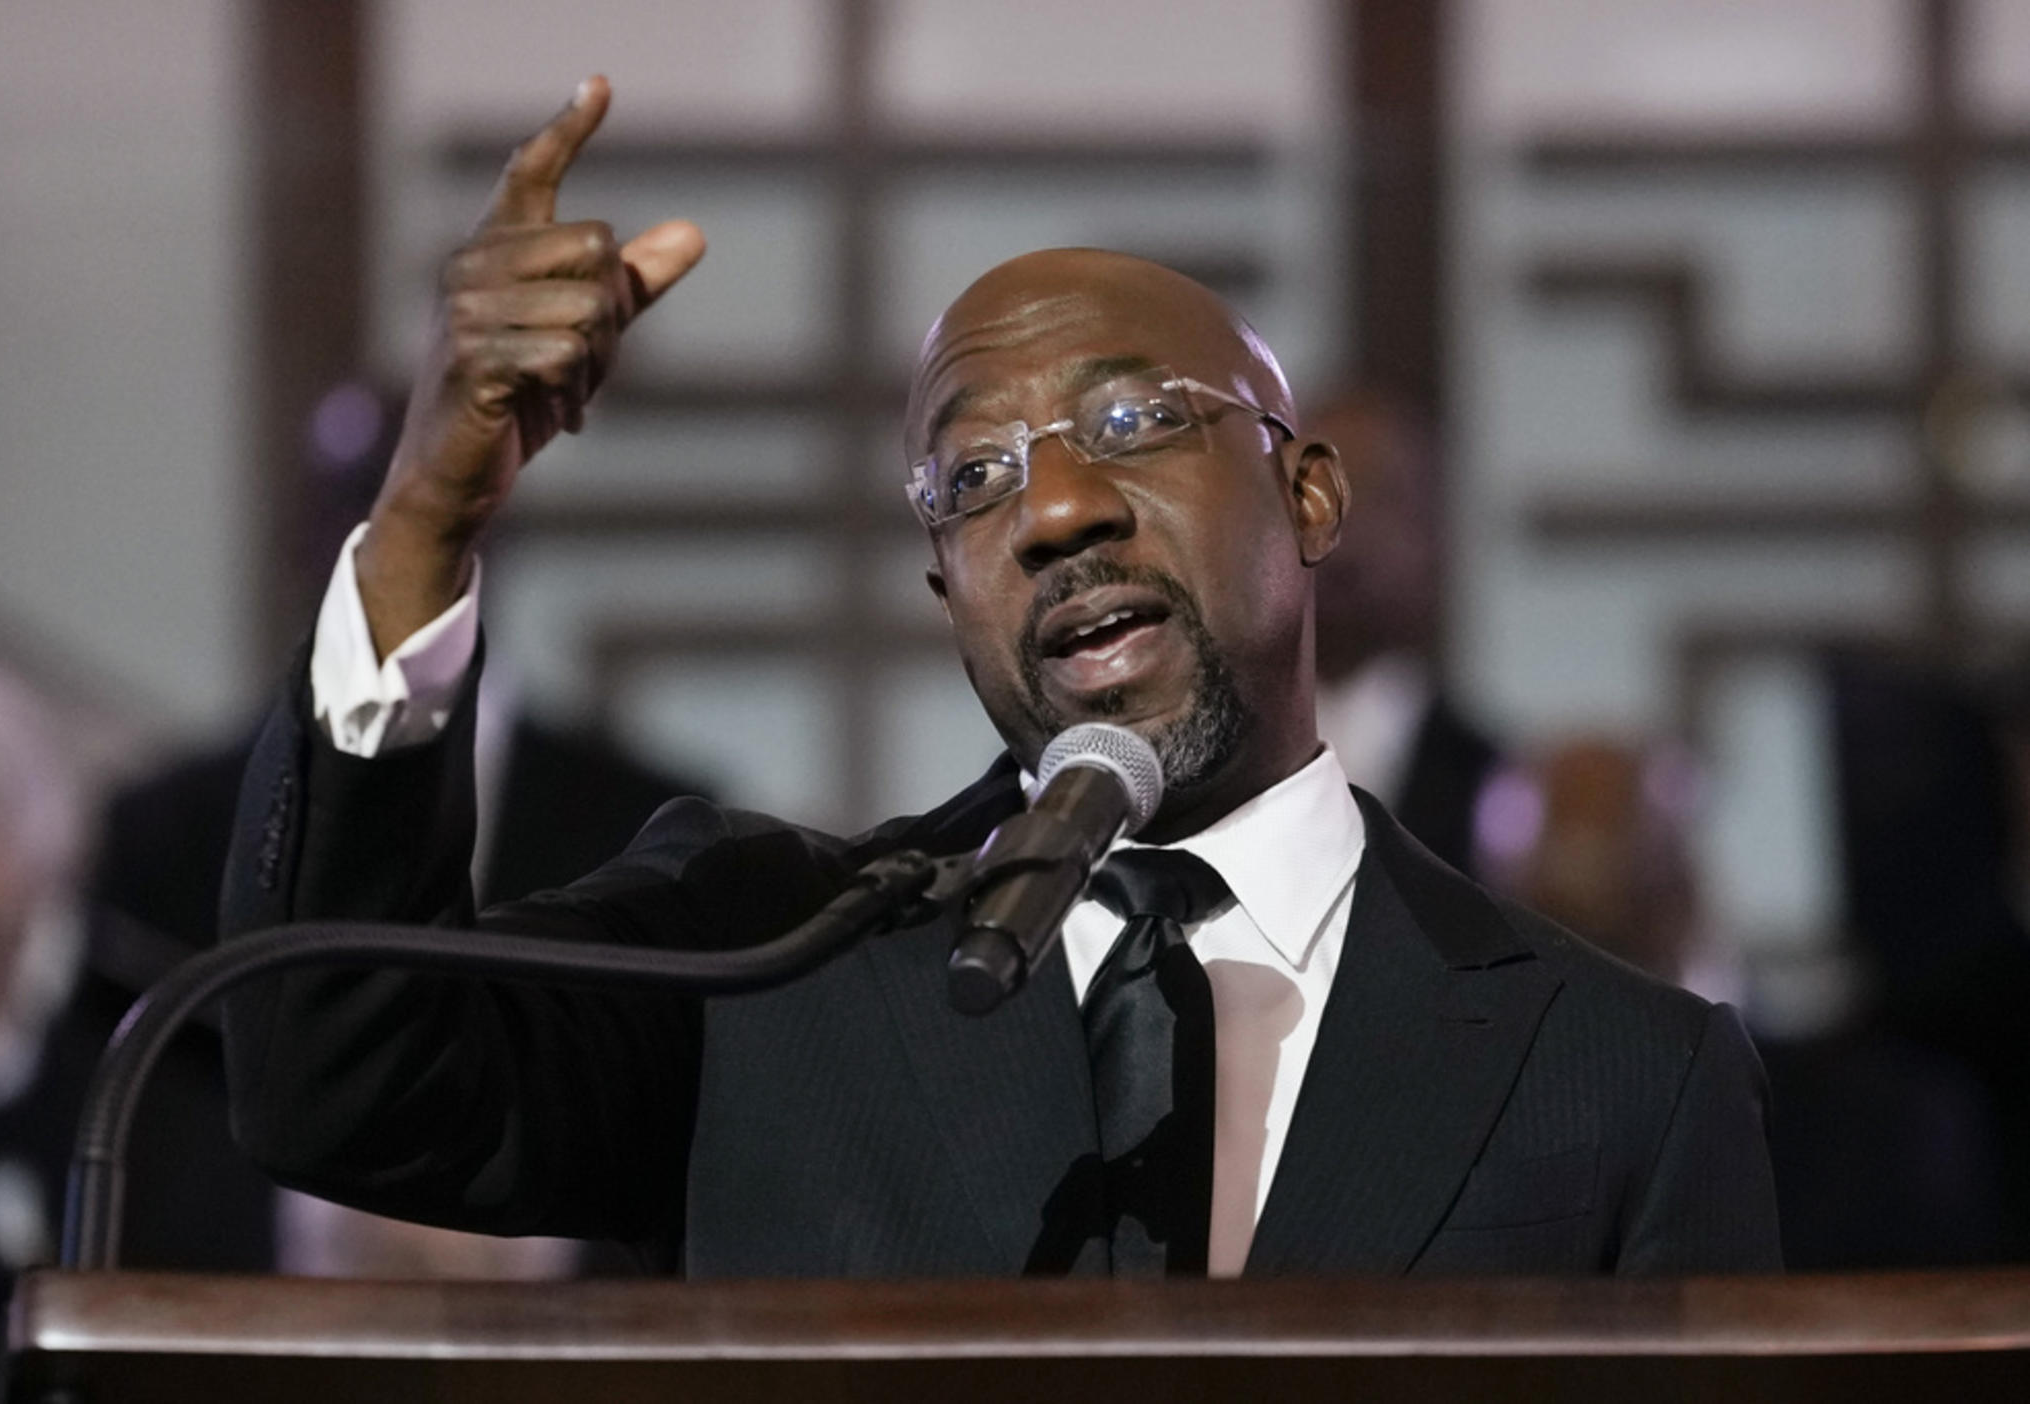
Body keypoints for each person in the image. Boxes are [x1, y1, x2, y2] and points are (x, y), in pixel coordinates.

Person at [221, 77, 1780, 1278]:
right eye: (969, 480)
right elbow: (342, 1078)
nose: (1050, 513)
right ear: (942, 591)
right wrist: (424, 515)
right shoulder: (766, 963)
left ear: (1305, 498)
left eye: (1127, 425)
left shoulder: (1616, 1069)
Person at [1307, 388, 1501, 876]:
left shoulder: (1494, 785)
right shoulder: (1195, 774)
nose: (1345, 530)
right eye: (1314, 497)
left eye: (1379, 497)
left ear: (1434, 535)